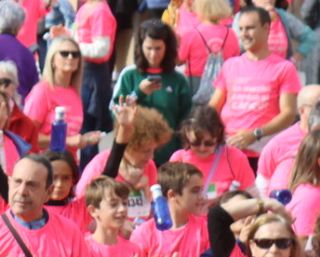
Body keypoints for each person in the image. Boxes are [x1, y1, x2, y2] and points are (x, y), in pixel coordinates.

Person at [208, 5, 299, 157]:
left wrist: (255, 133)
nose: (244, 34)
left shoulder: (284, 68)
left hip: (263, 150)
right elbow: (213, 106)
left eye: (250, 28)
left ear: (266, 28)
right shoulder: (230, 65)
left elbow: (288, 113)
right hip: (228, 149)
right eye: (241, 28)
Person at [114, 20, 193, 163]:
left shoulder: (179, 79)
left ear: (167, 48)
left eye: (158, 48)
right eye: (148, 48)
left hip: (168, 155)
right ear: (140, 47)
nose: (153, 54)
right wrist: (138, 93)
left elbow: (186, 118)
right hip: (134, 155)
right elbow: (115, 111)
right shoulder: (129, 75)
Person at [25, 34, 103, 152]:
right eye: (64, 53)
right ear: (52, 60)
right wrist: (66, 140)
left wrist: (85, 139)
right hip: (44, 164)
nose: (70, 57)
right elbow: (25, 135)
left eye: (75, 54)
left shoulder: (75, 92)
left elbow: (72, 136)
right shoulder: (42, 91)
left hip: (68, 164)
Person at [171, 103, 256, 198]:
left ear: (218, 134)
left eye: (209, 143)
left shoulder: (235, 158)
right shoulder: (179, 159)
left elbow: (252, 195)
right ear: (186, 134)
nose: (202, 148)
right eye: (195, 143)